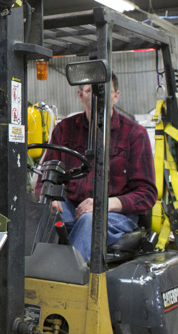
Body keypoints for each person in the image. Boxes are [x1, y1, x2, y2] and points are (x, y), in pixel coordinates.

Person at [37, 73, 157, 263]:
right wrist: (47, 198)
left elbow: (147, 194)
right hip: (72, 205)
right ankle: (32, 276)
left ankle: (71, 284)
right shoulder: (64, 129)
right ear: (80, 95)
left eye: (104, 92)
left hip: (117, 213)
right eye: (90, 92)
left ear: (116, 96)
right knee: (36, 214)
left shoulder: (134, 134)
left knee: (89, 221)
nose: (97, 98)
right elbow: (46, 175)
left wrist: (103, 204)